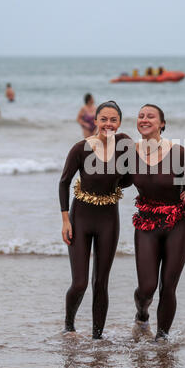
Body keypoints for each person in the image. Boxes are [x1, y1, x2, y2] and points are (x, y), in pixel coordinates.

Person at [129, 104, 185, 342]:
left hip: (177, 224)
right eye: (141, 116)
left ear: (162, 123)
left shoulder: (179, 153)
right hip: (146, 225)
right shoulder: (128, 153)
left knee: (168, 286)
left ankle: (162, 337)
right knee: (147, 287)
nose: (144, 119)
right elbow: (114, 182)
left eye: (150, 116)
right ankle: (142, 317)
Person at [59, 101, 132, 339]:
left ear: (119, 122)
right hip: (80, 218)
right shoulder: (81, 148)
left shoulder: (124, 147)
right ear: (96, 121)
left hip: (109, 219)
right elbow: (64, 182)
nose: (108, 124)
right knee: (80, 283)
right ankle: (69, 327)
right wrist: (65, 220)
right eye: (104, 119)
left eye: (113, 120)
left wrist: (114, 184)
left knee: (101, 282)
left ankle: (97, 337)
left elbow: (133, 177)